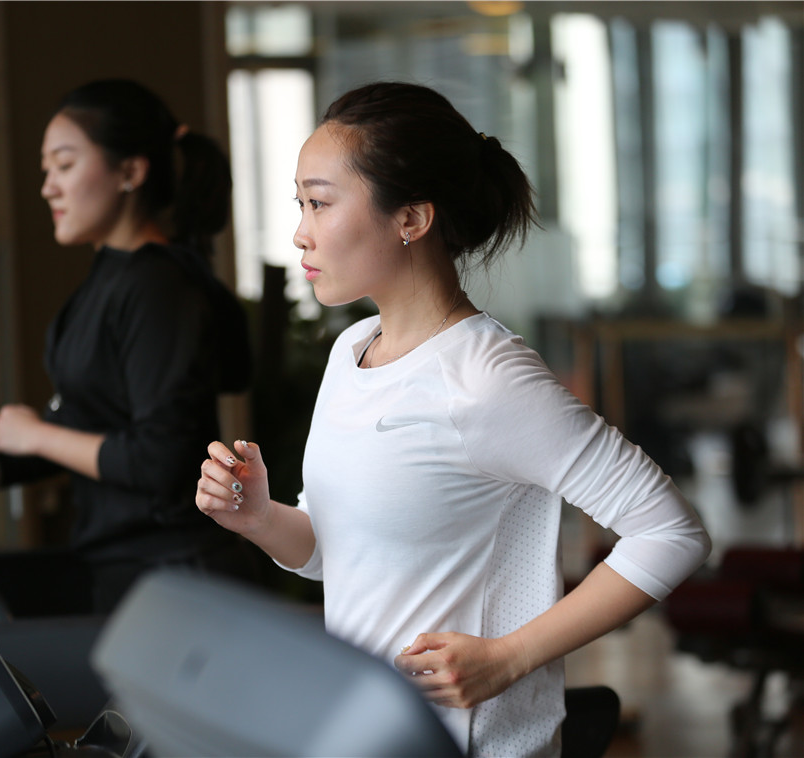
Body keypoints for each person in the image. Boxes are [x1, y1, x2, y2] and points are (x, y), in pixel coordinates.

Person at [195, 81, 711, 757]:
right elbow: (338, 555)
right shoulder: (352, 350)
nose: (300, 232)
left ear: (411, 218)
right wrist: (261, 519)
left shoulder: (487, 379)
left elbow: (671, 531)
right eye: (301, 204)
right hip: (364, 734)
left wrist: (510, 657)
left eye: (319, 202)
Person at [0, 79, 256, 613]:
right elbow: (86, 428)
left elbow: (160, 460)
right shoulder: (113, 274)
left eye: (64, 165)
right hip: (126, 574)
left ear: (131, 172)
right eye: (47, 170)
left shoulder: (158, 288)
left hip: (175, 583)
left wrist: (36, 435)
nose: (48, 188)